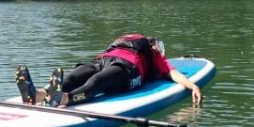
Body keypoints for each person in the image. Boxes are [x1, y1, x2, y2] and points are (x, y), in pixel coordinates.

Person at [15, 34, 202, 108]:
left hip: (125, 67)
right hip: (105, 60)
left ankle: (62, 98)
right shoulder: (145, 46)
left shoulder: (153, 57)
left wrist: (193, 86)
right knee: (74, 76)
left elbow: (173, 74)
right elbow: (175, 73)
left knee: (96, 82)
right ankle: (37, 95)